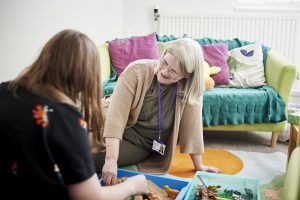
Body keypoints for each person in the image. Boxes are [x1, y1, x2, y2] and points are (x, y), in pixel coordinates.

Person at [0, 29, 147, 200]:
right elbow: (90, 197)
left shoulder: (4, 90)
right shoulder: (66, 119)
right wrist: (131, 186)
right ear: (87, 75)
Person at [93, 38, 221, 186]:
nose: (165, 71)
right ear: (164, 54)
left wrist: (199, 166)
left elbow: (192, 129)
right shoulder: (136, 71)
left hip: (138, 141)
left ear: (187, 75)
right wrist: (111, 160)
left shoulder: (190, 90)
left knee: (82, 158)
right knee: (70, 139)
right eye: (165, 62)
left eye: (173, 71)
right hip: (105, 117)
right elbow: (116, 117)